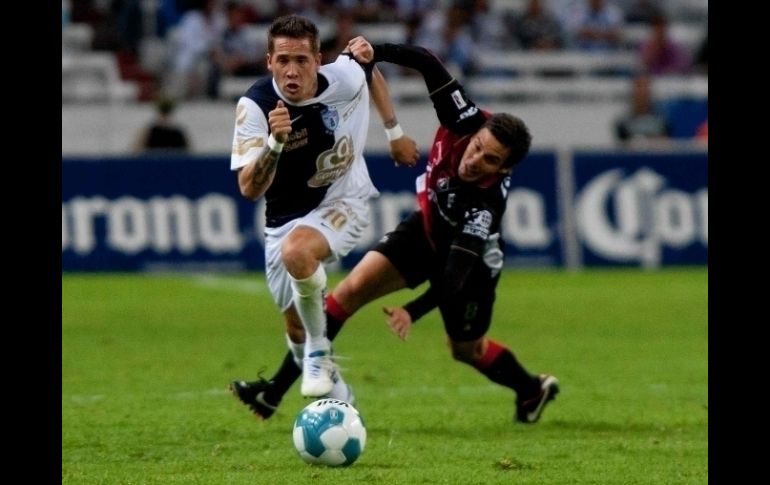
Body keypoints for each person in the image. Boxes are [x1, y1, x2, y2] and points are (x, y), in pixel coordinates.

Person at [234, 36, 560, 424]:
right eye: (476, 147)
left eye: (489, 160)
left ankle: (530, 389)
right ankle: (275, 391)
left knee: (464, 349)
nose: (475, 160)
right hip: (423, 232)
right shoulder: (464, 117)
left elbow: (453, 275)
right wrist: (375, 52)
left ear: (503, 170)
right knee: (345, 295)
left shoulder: (484, 207)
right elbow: (425, 59)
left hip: (469, 267)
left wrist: (412, 310)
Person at [228, 15, 419, 412]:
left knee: (299, 255)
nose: (291, 70)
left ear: (319, 59)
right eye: (282, 60)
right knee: (295, 326)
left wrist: (394, 132)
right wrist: (275, 145)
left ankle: (320, 352)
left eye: (301, 59)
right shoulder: (256, 106)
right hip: (282, 219)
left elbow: (369, 72)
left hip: (344, 198)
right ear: (268, 61)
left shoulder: (344, 78)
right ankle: (342, 399)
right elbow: (249, 188)